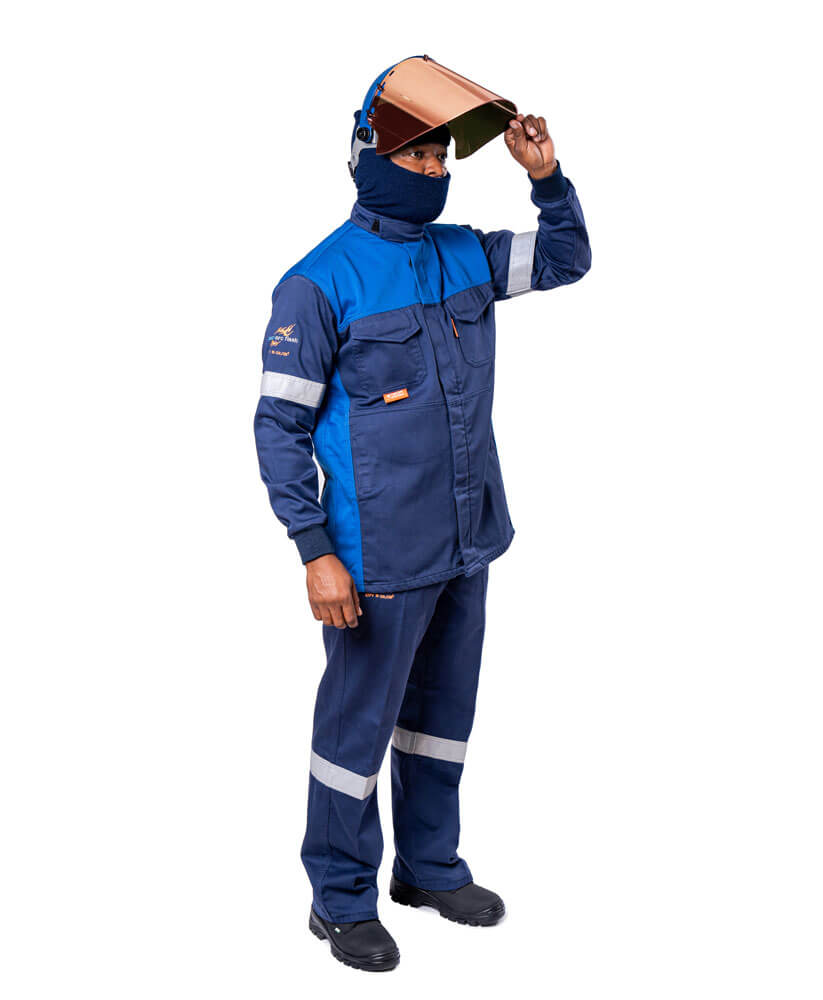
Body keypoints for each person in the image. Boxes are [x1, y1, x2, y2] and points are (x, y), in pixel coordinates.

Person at [254, 56, 590, 972]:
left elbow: (566, 258)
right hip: (377, 554)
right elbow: (278, 428)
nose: (435, 171)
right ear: (369, 156)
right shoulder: (319, 283)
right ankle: (339, 897)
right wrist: (314, 550)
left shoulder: (463, 253)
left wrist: (545, 176)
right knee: (356, 731)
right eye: (417, 157)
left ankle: (429, 867)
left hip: (467, 537)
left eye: (442, 158)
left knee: (442, 717)